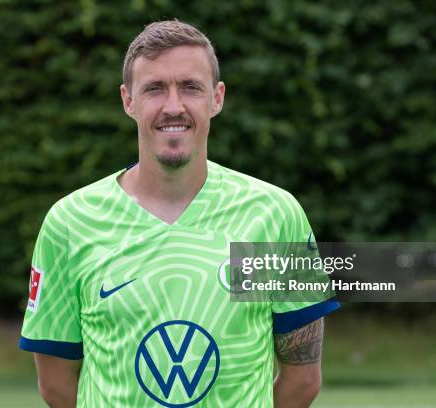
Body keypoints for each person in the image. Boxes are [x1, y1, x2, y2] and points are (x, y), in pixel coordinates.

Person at [19, 20, 339, 407]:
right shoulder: (70, 223)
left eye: (190, 87)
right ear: (128, 100)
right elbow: (55, 385)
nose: (174, 106)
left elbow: (302, 379)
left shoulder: (274, 215)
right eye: (154, 89)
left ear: (216, 98)